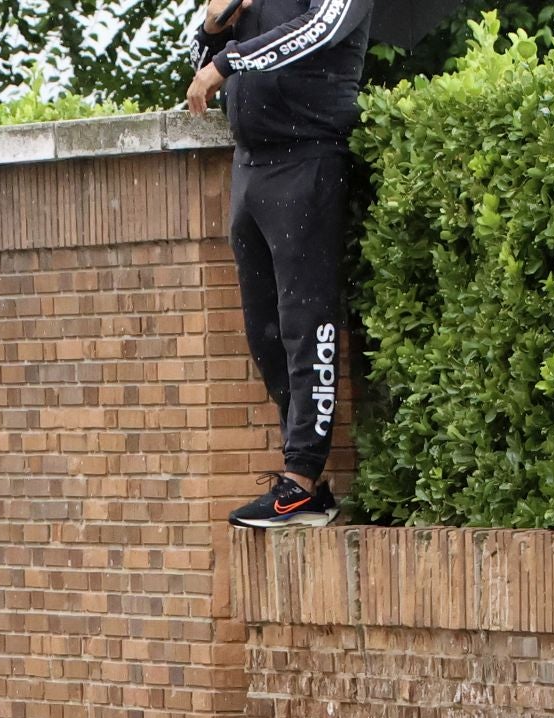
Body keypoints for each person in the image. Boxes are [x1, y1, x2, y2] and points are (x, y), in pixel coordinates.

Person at [189, 0, 374, 528]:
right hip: (250, 163)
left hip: (309, 157)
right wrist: (211, 27)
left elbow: (317, 30)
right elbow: (197, 72)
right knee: (264, 329)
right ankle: (300, 474)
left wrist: (227, 62)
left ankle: (301, 479)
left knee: (305, 321)